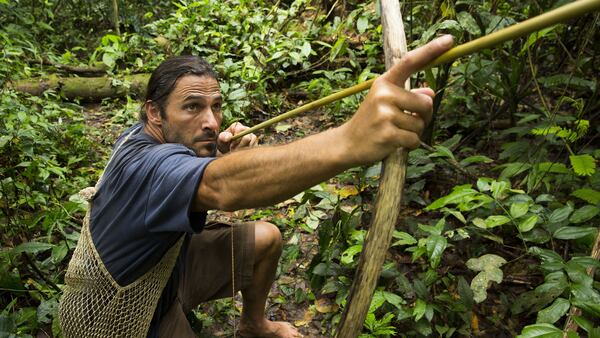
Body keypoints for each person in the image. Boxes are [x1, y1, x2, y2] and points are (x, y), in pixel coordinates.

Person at [58, 35, 454, 338]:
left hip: (166, 273)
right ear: (155, 114)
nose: (212, 122)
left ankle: (254, 325)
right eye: (193, 107)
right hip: (117, 317)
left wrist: (218, 154)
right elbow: (219, 187)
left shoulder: (153, 136)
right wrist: (350, 141)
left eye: (215, 106)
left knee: (265, 239)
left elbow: (201, 170)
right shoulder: (145, 164)